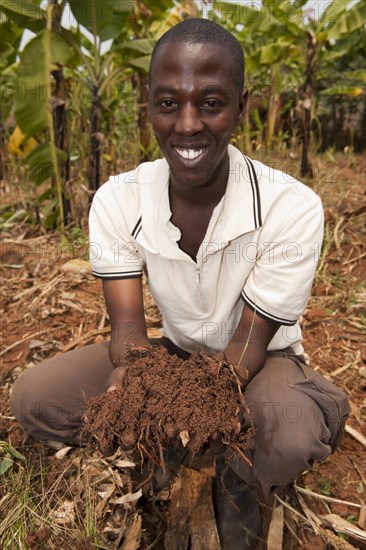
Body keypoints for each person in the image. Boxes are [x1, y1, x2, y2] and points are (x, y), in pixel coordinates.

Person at [10, 18, 350, 549]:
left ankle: (243, 469)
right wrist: (132, 388)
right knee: (37, 399)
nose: (187, 125)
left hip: (257, 361)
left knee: (286, 436)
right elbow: (128, 335)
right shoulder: (119, 199)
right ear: (148, 106)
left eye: (210, 103)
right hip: (173, 355)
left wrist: (184, 410)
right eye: (168, 103)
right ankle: (173, 452)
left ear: (241, 107)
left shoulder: (290, 205)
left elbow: (246, 347)